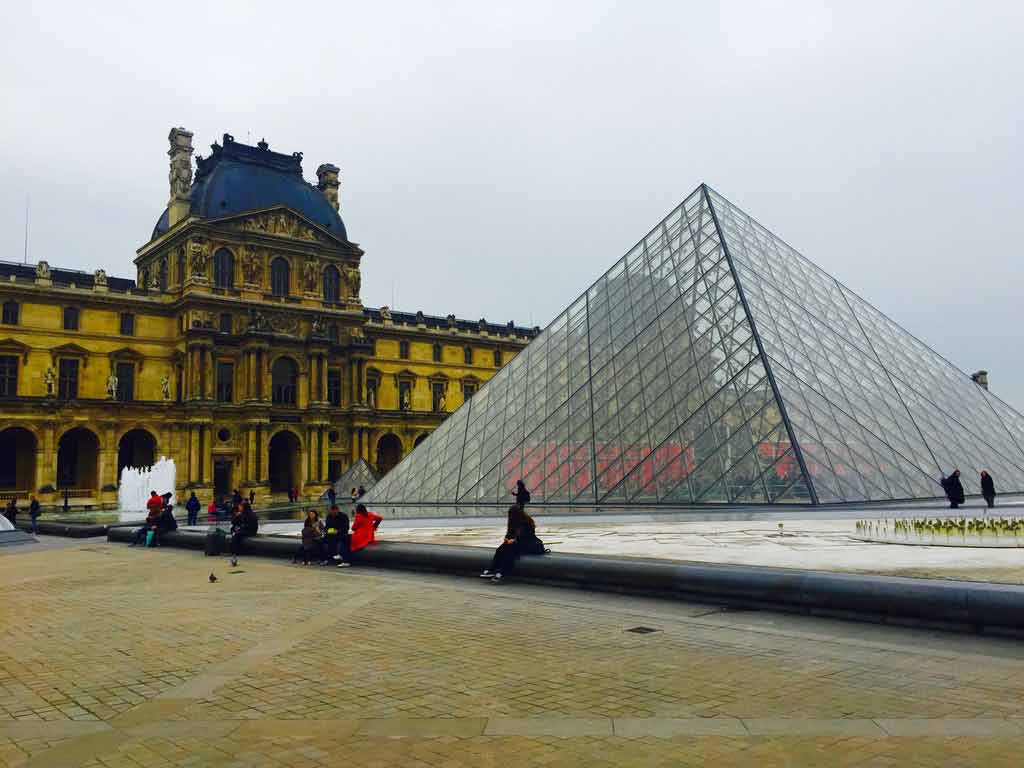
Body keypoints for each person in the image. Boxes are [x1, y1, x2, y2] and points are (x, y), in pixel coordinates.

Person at [480, 505, 546, 582]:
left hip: (531, 545)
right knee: (500, 549)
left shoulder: (526, 522)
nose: (510, 516)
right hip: (518, 543)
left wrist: (513, 541)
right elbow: (510, 534)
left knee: (510, 551)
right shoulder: (513, 522)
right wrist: (507, 539)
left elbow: (525, 536)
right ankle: (491, 569)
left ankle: (502, 572)